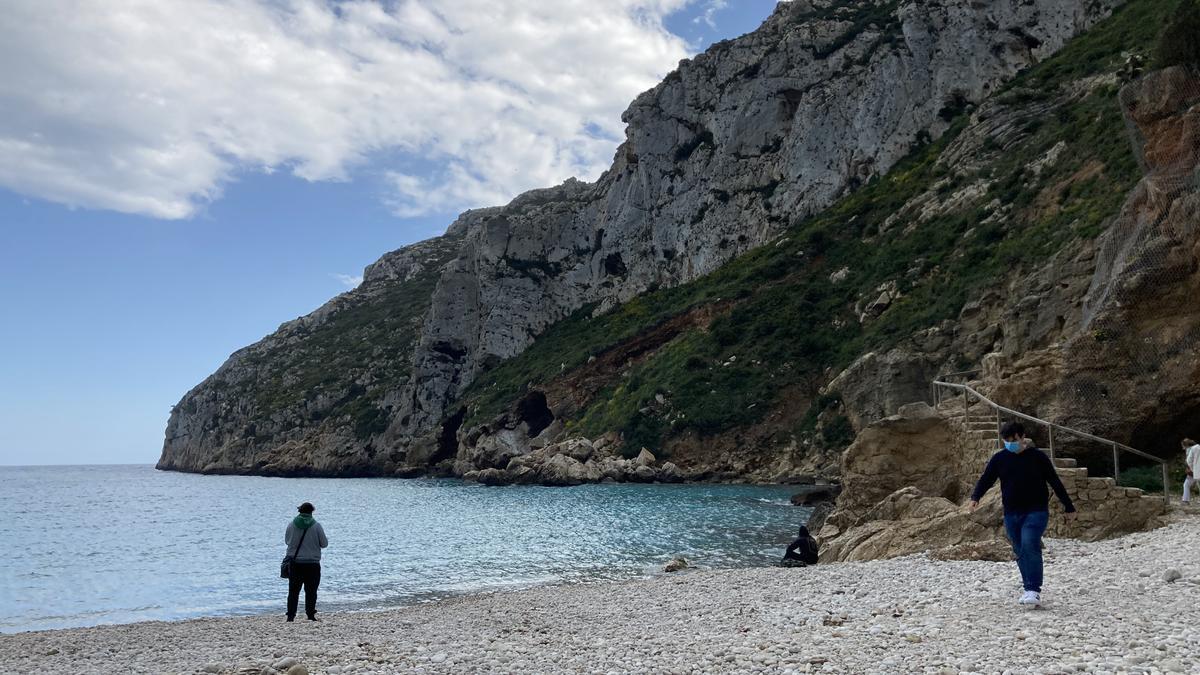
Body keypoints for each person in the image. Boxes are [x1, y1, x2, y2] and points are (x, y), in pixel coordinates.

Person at [968, 421, 1077, 608]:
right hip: (1011, 512)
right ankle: (1028, 588)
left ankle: (1034, 589)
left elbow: (1054, 481)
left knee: (1030, 544)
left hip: (1036, 511)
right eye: (1006, 441)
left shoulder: (1038, 457)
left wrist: (1069, 507)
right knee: (1019, 549)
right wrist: (976, 496)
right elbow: (986, 479)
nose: (1010, 444)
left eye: (1013, 440)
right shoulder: (999, 459)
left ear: (1022, 437)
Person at [284, 502, 328, 622]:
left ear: (299, 511)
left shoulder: (291, 525)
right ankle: (310, 615)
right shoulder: (317, 526)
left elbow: (287, 541)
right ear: (311, 512)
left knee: (293, 591)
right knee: (311, 591)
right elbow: (324, 544)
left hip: (296, 563)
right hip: (312, 564)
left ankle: (291, 616)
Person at [1182, 438, 1200, 504]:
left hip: (1194, 470)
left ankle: (1185, 500)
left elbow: (1188, 461)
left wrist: (1191, 469)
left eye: (1183, 446)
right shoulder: (1198, 447)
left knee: (1186, 484)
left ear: (1186, 445)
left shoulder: (1190, 450)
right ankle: (1185, 500)